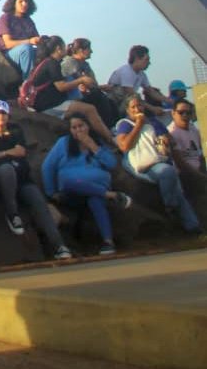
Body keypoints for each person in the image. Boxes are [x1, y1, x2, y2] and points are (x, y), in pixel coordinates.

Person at [0, 100, 72, 260]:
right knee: (6, 169)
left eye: (4, 113)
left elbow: (20, 152)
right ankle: (12, 214)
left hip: (23, 180)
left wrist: (0, 154)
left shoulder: (16, 130)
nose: (1, 116)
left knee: (39, 203)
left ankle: (59, 246)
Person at [114, 92, 202, 236]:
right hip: (144, 164)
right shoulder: (124, 124)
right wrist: (138, 125)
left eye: (139, 105)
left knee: (178, 191)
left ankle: (193, 227)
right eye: (133, 107)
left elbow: (169, 140)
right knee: (167, 172)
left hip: (160, 158)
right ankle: (169, 206)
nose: (137, 109)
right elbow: (124, 146)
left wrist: (166, 140)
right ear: (128, 110)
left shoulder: (153, 121)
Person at [41, 113, 129, 256]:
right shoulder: (64, 143)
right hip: (72, 188)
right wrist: (51, 192)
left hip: (96, 184)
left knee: (95, 200)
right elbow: (48, 166)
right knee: (69, 181)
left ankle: (108, 242)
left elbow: (111, 163)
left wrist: (93, 147)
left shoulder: (97, 143)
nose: (78, 130)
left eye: (81, 126)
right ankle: (112, 195)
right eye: (74, 128)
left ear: (88, 126)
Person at [21, 36, 116, 144]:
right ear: (58, 48)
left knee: (90, 105)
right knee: (90, 109)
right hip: (49, 105)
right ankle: (110, 139)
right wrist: (81, 80)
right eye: (63, 46)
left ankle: (105, 136)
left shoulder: (46, 62)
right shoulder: (52, 63)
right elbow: (61, 86)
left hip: (48, 103)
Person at [58, 38, 117, 129]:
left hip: (85, 92)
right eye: (89, 49)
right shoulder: (70, 62)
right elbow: (83, 83)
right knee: (99, 98)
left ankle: (114, 127)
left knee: (110, 102)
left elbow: (93, 83)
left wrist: (99, 87)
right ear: (81, 50)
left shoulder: (85, 65)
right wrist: (98, 87)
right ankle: (107, 127)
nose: (91, 51)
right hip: (72, 96)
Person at [107, 47, 167, 112]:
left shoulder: (141, 74)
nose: (149, 63)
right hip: (116, 104)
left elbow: (151, 92)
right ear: (137, 59)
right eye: (146, 60)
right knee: (136, 100)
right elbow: (132, 95)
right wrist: (153, 108)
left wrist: (170, 101)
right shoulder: (126, 71)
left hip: (126, 102)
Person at [0, 0, 41, 77]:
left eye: (26, 1)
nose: (24, 4)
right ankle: (27, 83)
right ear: (14, 3)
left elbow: (37, 40)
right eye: (21, 1)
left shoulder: (28, 20)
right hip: (8, 53)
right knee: (26, 48)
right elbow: (8, 44)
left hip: (27, 50)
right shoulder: (5, 18)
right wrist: (29, 41)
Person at [168, 99, 205, 188]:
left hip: (199, 170)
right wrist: (201, 176)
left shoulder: (193, 130)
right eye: (181, 112)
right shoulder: (171, 133)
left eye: (188, 112)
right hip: (185, 175)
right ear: (173, 113)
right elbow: (180, 163)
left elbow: (201, 153)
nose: (185, 115)